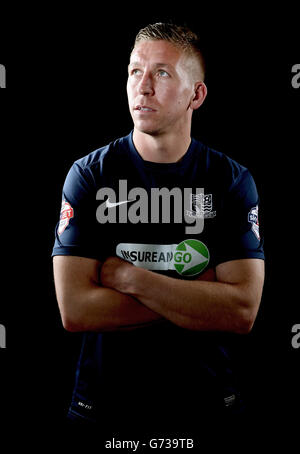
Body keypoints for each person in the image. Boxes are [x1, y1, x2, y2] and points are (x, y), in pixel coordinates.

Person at [52, 23, 264, 436]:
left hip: (208, 406)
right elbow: (75, 309)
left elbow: (241, 311)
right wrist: (197, 297)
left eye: (162, 73)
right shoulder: (90, 175)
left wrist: (129, 277)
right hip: (105, 407)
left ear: (196, 95)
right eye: (134, 71)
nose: (143, 87)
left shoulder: (230, 181)